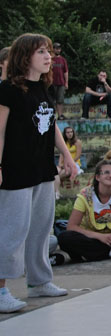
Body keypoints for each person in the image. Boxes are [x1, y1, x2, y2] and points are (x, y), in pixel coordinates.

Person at [0, 33, 77, 313]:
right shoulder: (7, 90)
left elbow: (52, 124)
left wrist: (67, 156)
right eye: (41, 52)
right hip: (15, 170)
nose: (49, 57)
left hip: (43, 169)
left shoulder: (42, 88)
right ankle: (1, 289)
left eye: (48, 51)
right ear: (25, 57)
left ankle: (39, 281)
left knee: (41, 229)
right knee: (12, 230)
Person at [56, 125, 83, 190]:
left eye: (71, 132)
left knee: (65, 172)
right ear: (65, 134)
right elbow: (61, 155)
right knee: (56, 171)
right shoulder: (64, 143)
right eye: (68, 132)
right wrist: (60, 164)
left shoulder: (77, 142)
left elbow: (78, 156)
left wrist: (69, 163)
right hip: (64, 163)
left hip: (74, 163)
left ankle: (56, 190)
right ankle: (56, 191)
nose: (70, 134)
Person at [50, 42, 68, 119]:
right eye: (55, 48)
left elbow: (66, 72)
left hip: (61, 82)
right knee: (51, 100)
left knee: (60, 100)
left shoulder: (63, 60)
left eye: (58, 48)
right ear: (53, 49)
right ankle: (52, 115)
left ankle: (60, 115)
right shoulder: (50, 59)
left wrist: (66, 82)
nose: (57, 50)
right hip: (51, 83)